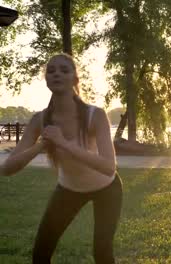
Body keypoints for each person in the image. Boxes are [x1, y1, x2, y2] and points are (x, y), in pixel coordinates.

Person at [0, 53, 122, 264]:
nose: (56, 74)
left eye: (64, 70)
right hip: (68, 190)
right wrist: (40, 146)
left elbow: (109, 167)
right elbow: (7, 168)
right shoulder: (40, 120)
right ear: (46, 79)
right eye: (51, 70)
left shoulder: (95, 115)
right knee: (40, 255)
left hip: (107, 188)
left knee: (102, 254)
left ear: (75, 79)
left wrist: (64, 143)